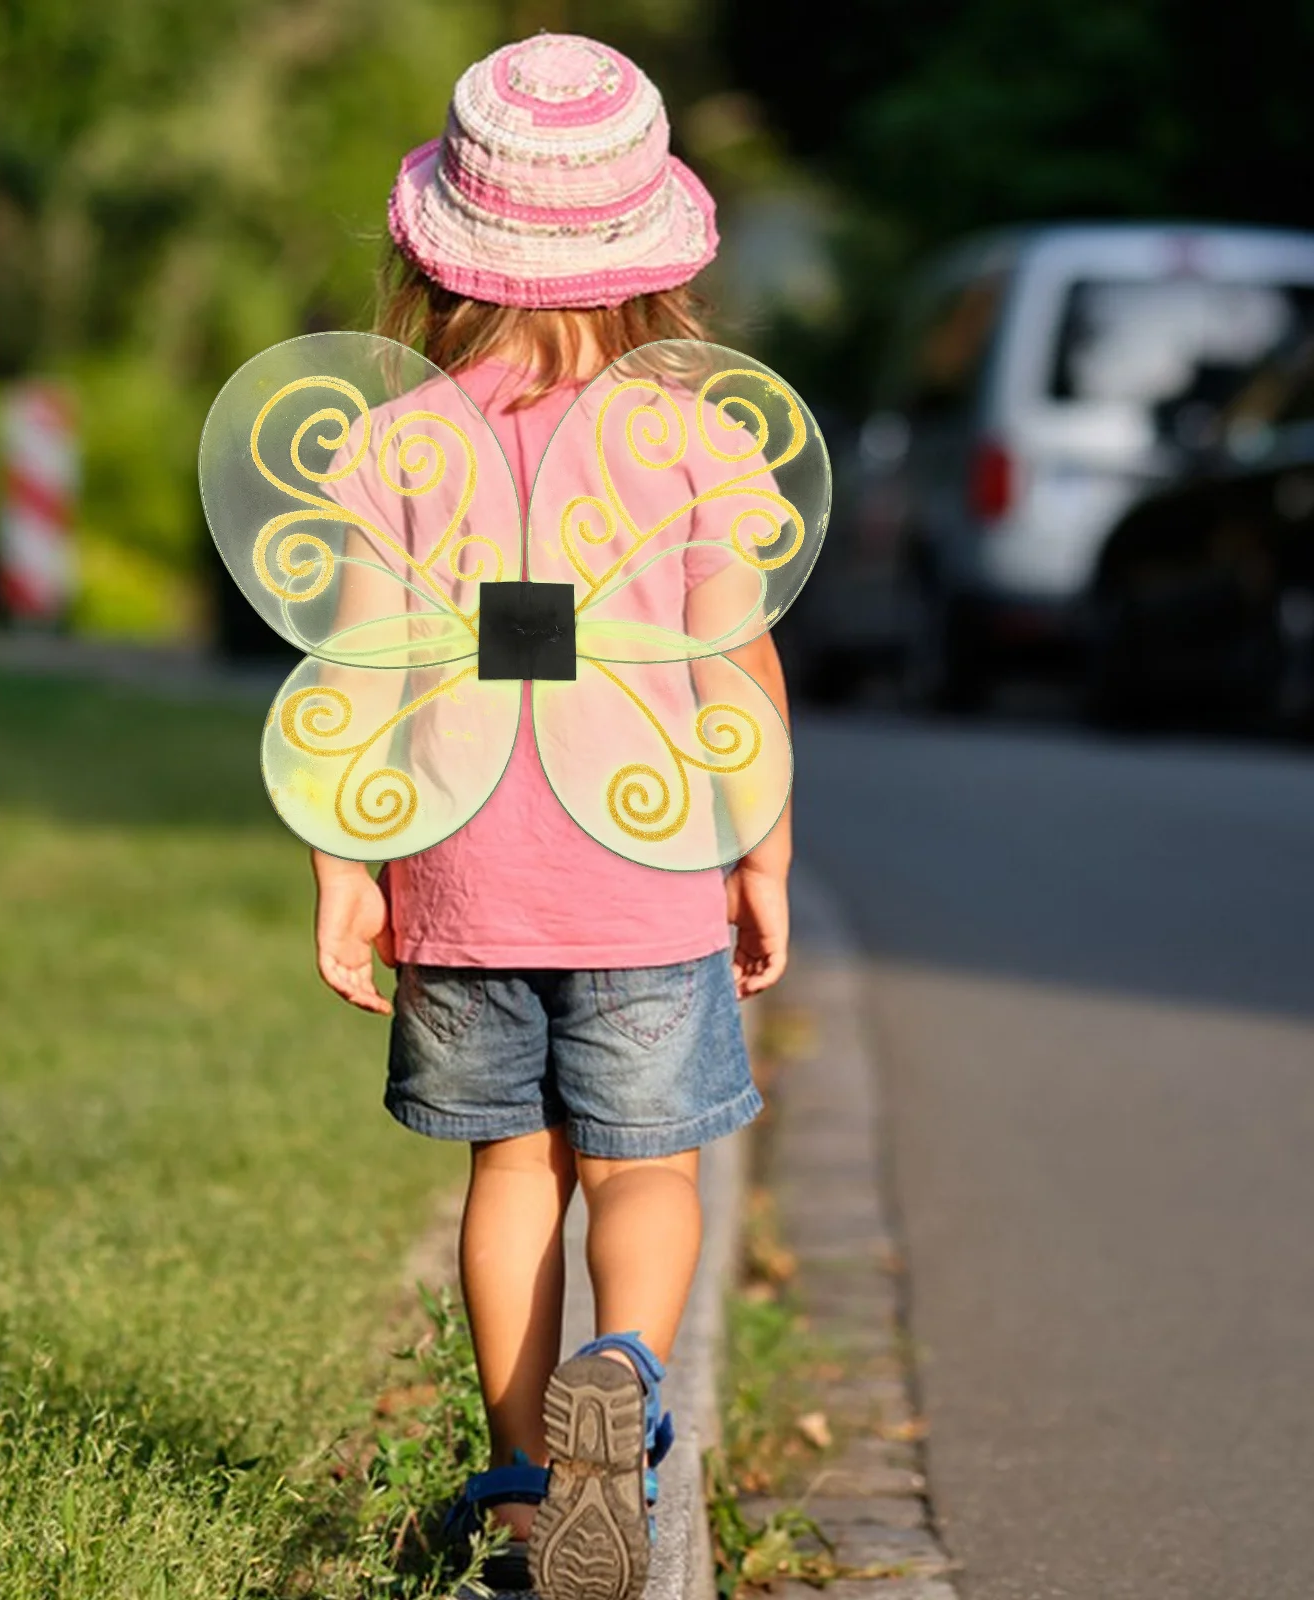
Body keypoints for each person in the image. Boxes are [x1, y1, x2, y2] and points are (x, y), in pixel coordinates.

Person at [309, 33, 793, 1600]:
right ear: (650, 254)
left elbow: (355, 673)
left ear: (442, 252)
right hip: (646, 868)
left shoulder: (394, 441)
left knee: (512, 1173)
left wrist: (343, 875)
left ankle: (526, 1496)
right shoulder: (698, 436)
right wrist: (763, 851)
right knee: (646, 1173)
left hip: (457, 874)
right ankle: (630, 1381)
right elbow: (734, 662)